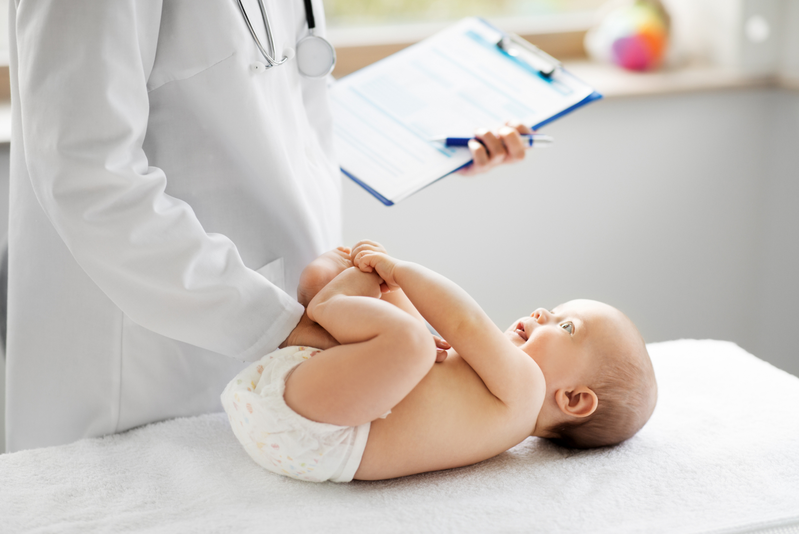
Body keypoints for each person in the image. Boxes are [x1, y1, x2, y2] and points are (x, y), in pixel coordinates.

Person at [5, 1, 532, 452]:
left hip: (286, 331)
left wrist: (429, 141)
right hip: (145, 365)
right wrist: (279, 326)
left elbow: (268, 96)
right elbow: (87, 173)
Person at [222, 240, 658, 482]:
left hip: (324, 431)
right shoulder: (487, 399)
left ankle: (328, 302)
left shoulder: (525, 391)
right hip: (323, 404)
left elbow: (463, 321)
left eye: (566, 328)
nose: (544, 313)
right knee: (419, 343)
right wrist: (388, 288)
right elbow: (446, 340)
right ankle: (325, 292)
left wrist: (400, 271)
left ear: (575, 400)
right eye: (556, 310)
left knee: (412, 343)